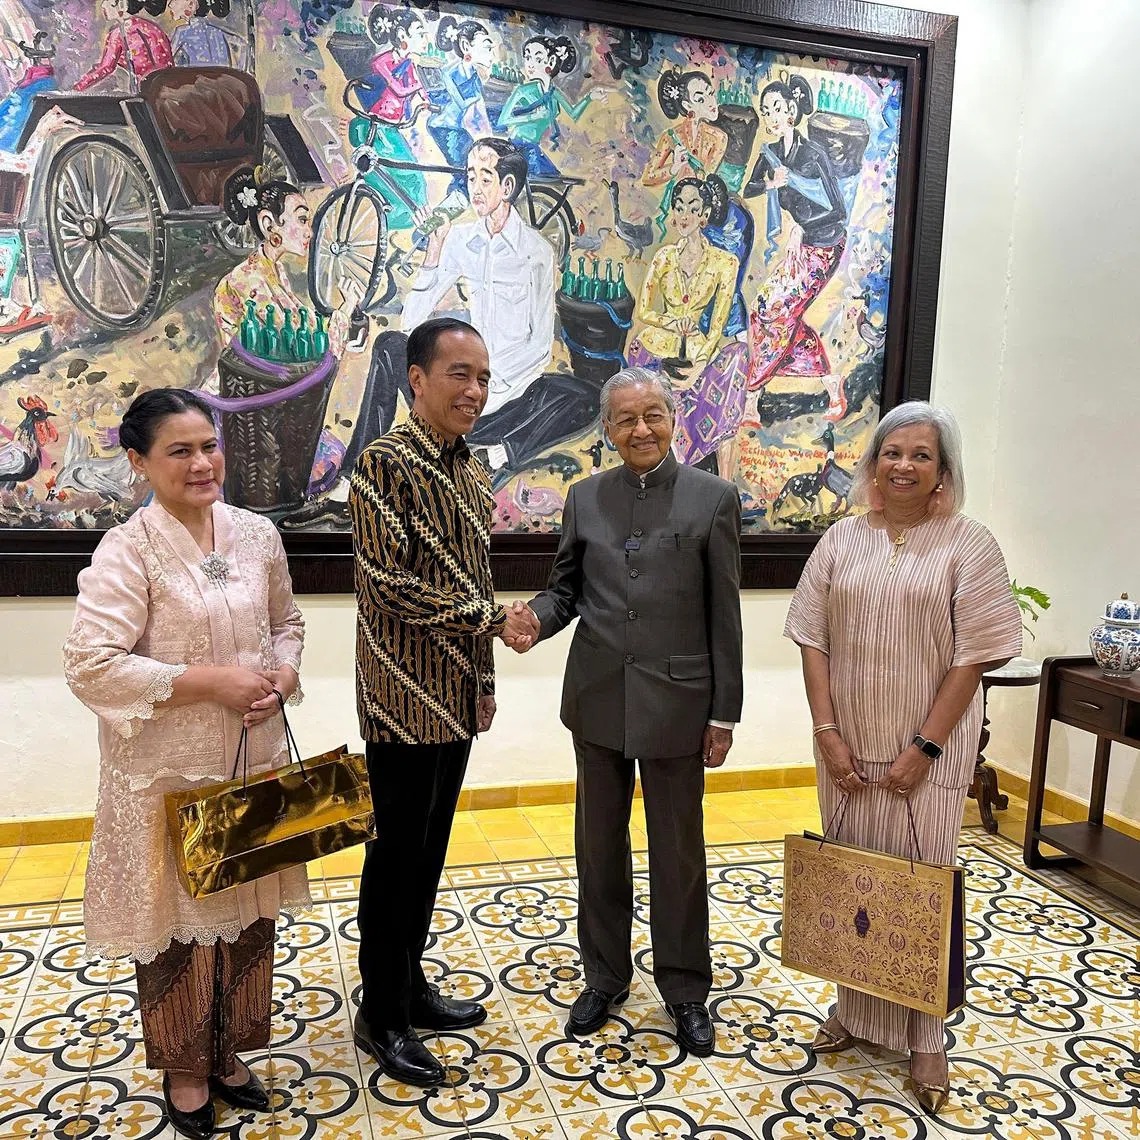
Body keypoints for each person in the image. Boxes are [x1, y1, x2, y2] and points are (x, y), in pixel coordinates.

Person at [62, 388, 308, 1140]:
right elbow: (89, 664)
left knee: (242, 918)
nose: (203, 463)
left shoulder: (257, 534)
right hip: (168, 777)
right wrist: (211, 683)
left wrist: (283, 677)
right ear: (138, 461)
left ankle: (230, 1051)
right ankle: (185, 1068)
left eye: (209, 446)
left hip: (249, 761)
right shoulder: (128, 549)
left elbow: (286, 625)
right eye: (179, 450)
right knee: (176, 924)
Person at [783, 401, 1022, 1118]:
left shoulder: (968, 544)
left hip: (931, 751)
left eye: (921, 455)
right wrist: (826, 731)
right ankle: (854, 1011)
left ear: (944, 471)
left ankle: (926, 1037)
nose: (904, 465)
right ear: (872, 464)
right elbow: (811, 638)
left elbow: (977, 654)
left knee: (921, 884)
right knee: (852, 872)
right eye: (892, 452)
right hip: (846, 747)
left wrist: (925, 746)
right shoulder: (840, 541)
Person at [508, 366, 743, 1057]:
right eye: (625, 419)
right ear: (607, 431)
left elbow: (724, 617)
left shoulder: (713, 499)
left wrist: (723, 713)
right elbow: (565, 592)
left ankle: (686, 989)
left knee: (680, 856)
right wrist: (533, 620)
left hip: (681, 701)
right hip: (598, 699)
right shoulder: (583, 499)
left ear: (673, 419)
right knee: (598, 851)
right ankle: (604, 977)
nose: (640, 429)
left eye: (653, 416)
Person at [347, 316, 536, 1087]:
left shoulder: (470, 470)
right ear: (417, 379)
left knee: (428, 851)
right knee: (394, 856)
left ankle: (409, 984)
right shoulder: (384, 464)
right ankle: (380, 1014)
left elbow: (475, 579)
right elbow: (388, 588)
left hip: (454, 696)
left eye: (484, 376)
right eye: (459, 373)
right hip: (399, 697)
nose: (475, 390)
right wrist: (490, 622)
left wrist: (484, 678)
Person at [358, 138, 599, 485]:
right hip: (457, 395)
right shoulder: (460, 239)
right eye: (471, 176)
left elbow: (540, 347)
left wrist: (486, 382)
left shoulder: (537, 252)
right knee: (389, 344)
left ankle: (495, 453)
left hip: (506, 397)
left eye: (485, 178)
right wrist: (435, 249)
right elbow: (411, 321)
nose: (475, 187)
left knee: (587, 398)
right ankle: (358, 473)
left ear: (508, 186)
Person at [742, 75, 848, 409]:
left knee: (775, 310)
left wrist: (801, 226)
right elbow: (749, 189)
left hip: (825, 243)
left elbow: (837, 210)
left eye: (777, 108)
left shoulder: (812, 155)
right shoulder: (770, 153)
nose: (772, 116)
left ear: (791, 110)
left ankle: (752, 395)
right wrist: (770, 183)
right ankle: (831, 384)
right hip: (801, 244)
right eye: (765, 111)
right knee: (768, 312)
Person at [627, 175, 744, 476]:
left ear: (705, 215)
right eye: (678, 207)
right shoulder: (664, 257)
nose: (684, 215)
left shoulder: (725, 263)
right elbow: (644, 311)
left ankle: (723, 486)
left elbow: (717, 326)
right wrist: (670, 320)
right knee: (641, 350)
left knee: (740, 355)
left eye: (692, 208)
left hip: (697, 350)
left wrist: (700, 364)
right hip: (661, 346)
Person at [351, 3, 431, 232]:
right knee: (401, 174)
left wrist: (426, 101)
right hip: (374, 128)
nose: (425, 39)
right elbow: (398, 88)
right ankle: (387, 225)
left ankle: (417, 227)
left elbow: (419, 88)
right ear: (403, 35)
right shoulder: (382, 61)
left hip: (391, 128)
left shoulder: (409, 63)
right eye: (420, 33)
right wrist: (415, 90)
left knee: (416, 178)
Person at [496, 34, 607, 177]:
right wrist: (533, 117)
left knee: (554, 179)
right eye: (527, 57)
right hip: (517, 146)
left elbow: (573, 114)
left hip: (532, 147)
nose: (530, 64)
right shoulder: (523, 91)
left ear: (551, 61)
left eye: (538, 59)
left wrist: (590, 97)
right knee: (543, 179)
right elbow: (503, 120)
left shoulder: (554, 94)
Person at [641, 69, 727, 238]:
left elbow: (705, 178)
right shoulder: (671, 137)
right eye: (701, 99)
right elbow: (648, 177)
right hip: (676, 208)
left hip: (701, 208)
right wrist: (674, 168)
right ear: (688, 106)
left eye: (711, 94)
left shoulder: (719, 138)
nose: (711, 102)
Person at [424, 15, 496, 212]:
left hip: (455, 128)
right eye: (487, 47)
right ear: (466, 47)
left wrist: (490, 140)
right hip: (444, 127)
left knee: (473, 172)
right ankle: (433, 225)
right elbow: (463, 104)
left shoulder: (472, 76)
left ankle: (440, 219)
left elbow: (478, 113)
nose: (491, 54)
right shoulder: (450, 73)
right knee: (469, 173)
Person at [76, 0, 174, 91]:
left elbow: (105, 68)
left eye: (107, 1)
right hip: (158, 91)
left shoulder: (117, 34)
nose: (103, 6)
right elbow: (167, 65)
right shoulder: (152, 29)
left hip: (150, 93)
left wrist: (78, 88)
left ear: (122, 4)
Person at [169, 0, 246, 68]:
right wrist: (239, 70)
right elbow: (243, 44)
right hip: (223, 79)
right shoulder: (217, 31)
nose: (170, 4)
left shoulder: (182, 32)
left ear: (191, 4)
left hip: (199, 80)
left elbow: (167, 59)